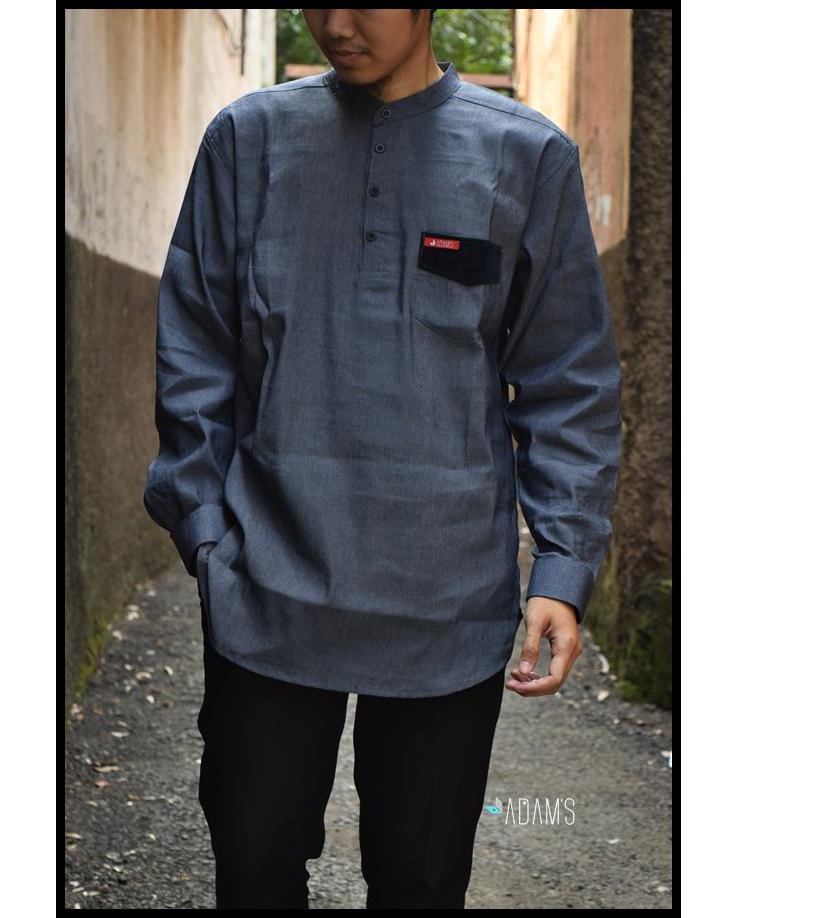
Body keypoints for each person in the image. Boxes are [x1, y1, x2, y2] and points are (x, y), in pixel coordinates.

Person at [143, 8, 622, 909]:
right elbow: (195, 346)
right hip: (265, 589)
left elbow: (567, 381)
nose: (335, 23)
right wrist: (205, 533)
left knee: (420, 879)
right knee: (253, 865)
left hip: (447, 603)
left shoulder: (527, 156)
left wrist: (562, 568)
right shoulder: (248, 140)